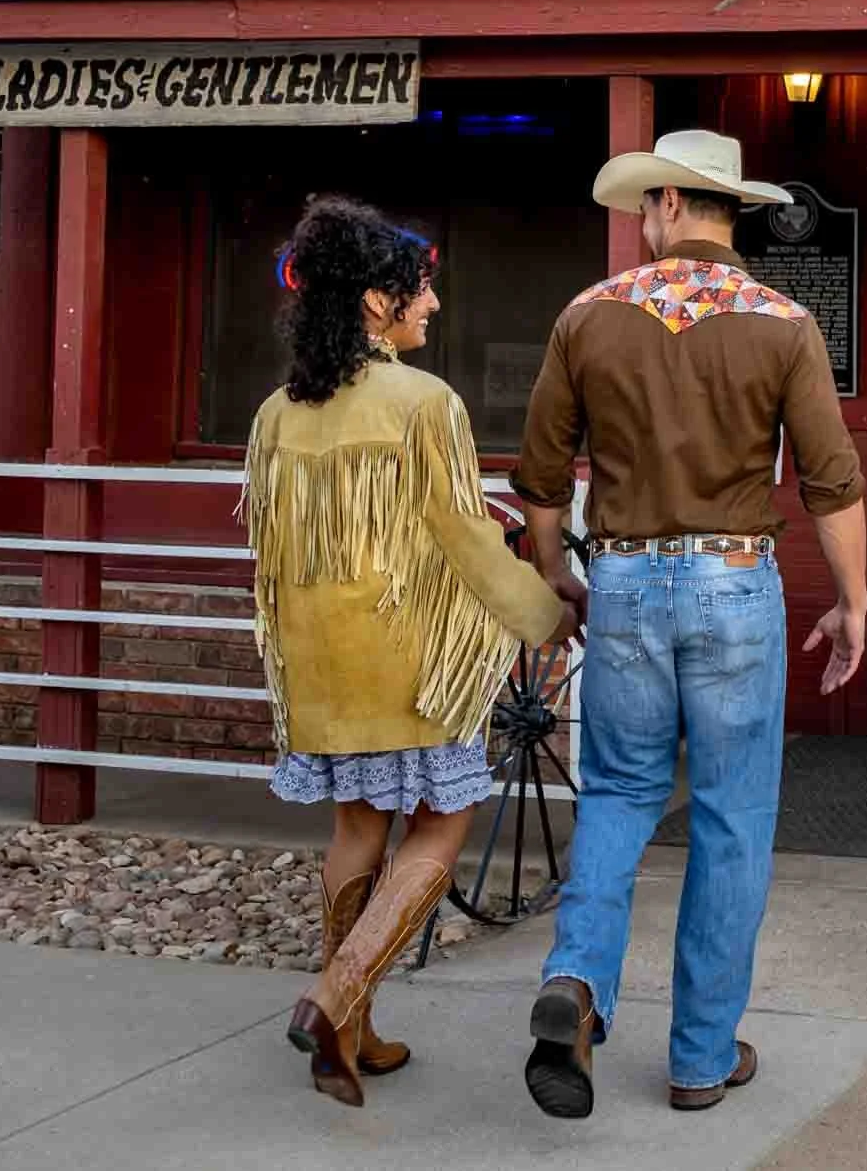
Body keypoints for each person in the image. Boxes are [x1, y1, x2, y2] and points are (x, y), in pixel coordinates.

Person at [514, 127, 867, 1119]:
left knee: (622, 791)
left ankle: (577, 984)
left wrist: (554, 577)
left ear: (672, 203)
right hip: (734, 583)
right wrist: (855, 600)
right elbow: (830, 481)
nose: (638, 220)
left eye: (645, 204)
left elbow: (543, 479)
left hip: (623, 582)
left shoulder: (588, 315)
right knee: (730, 813)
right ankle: (700, 1058)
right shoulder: (782, 321)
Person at [241, 195, 575, 1108]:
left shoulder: (276, 413)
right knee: (442, 822)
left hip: (318, 663)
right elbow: (466, 538)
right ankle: (332, 996)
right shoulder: (425, 402)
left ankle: (350, 1035)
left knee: (356, 828)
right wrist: (546, 612)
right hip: (410, 664)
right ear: (372, 303)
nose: (432, 307)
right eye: (418, 291)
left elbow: (269, 551)